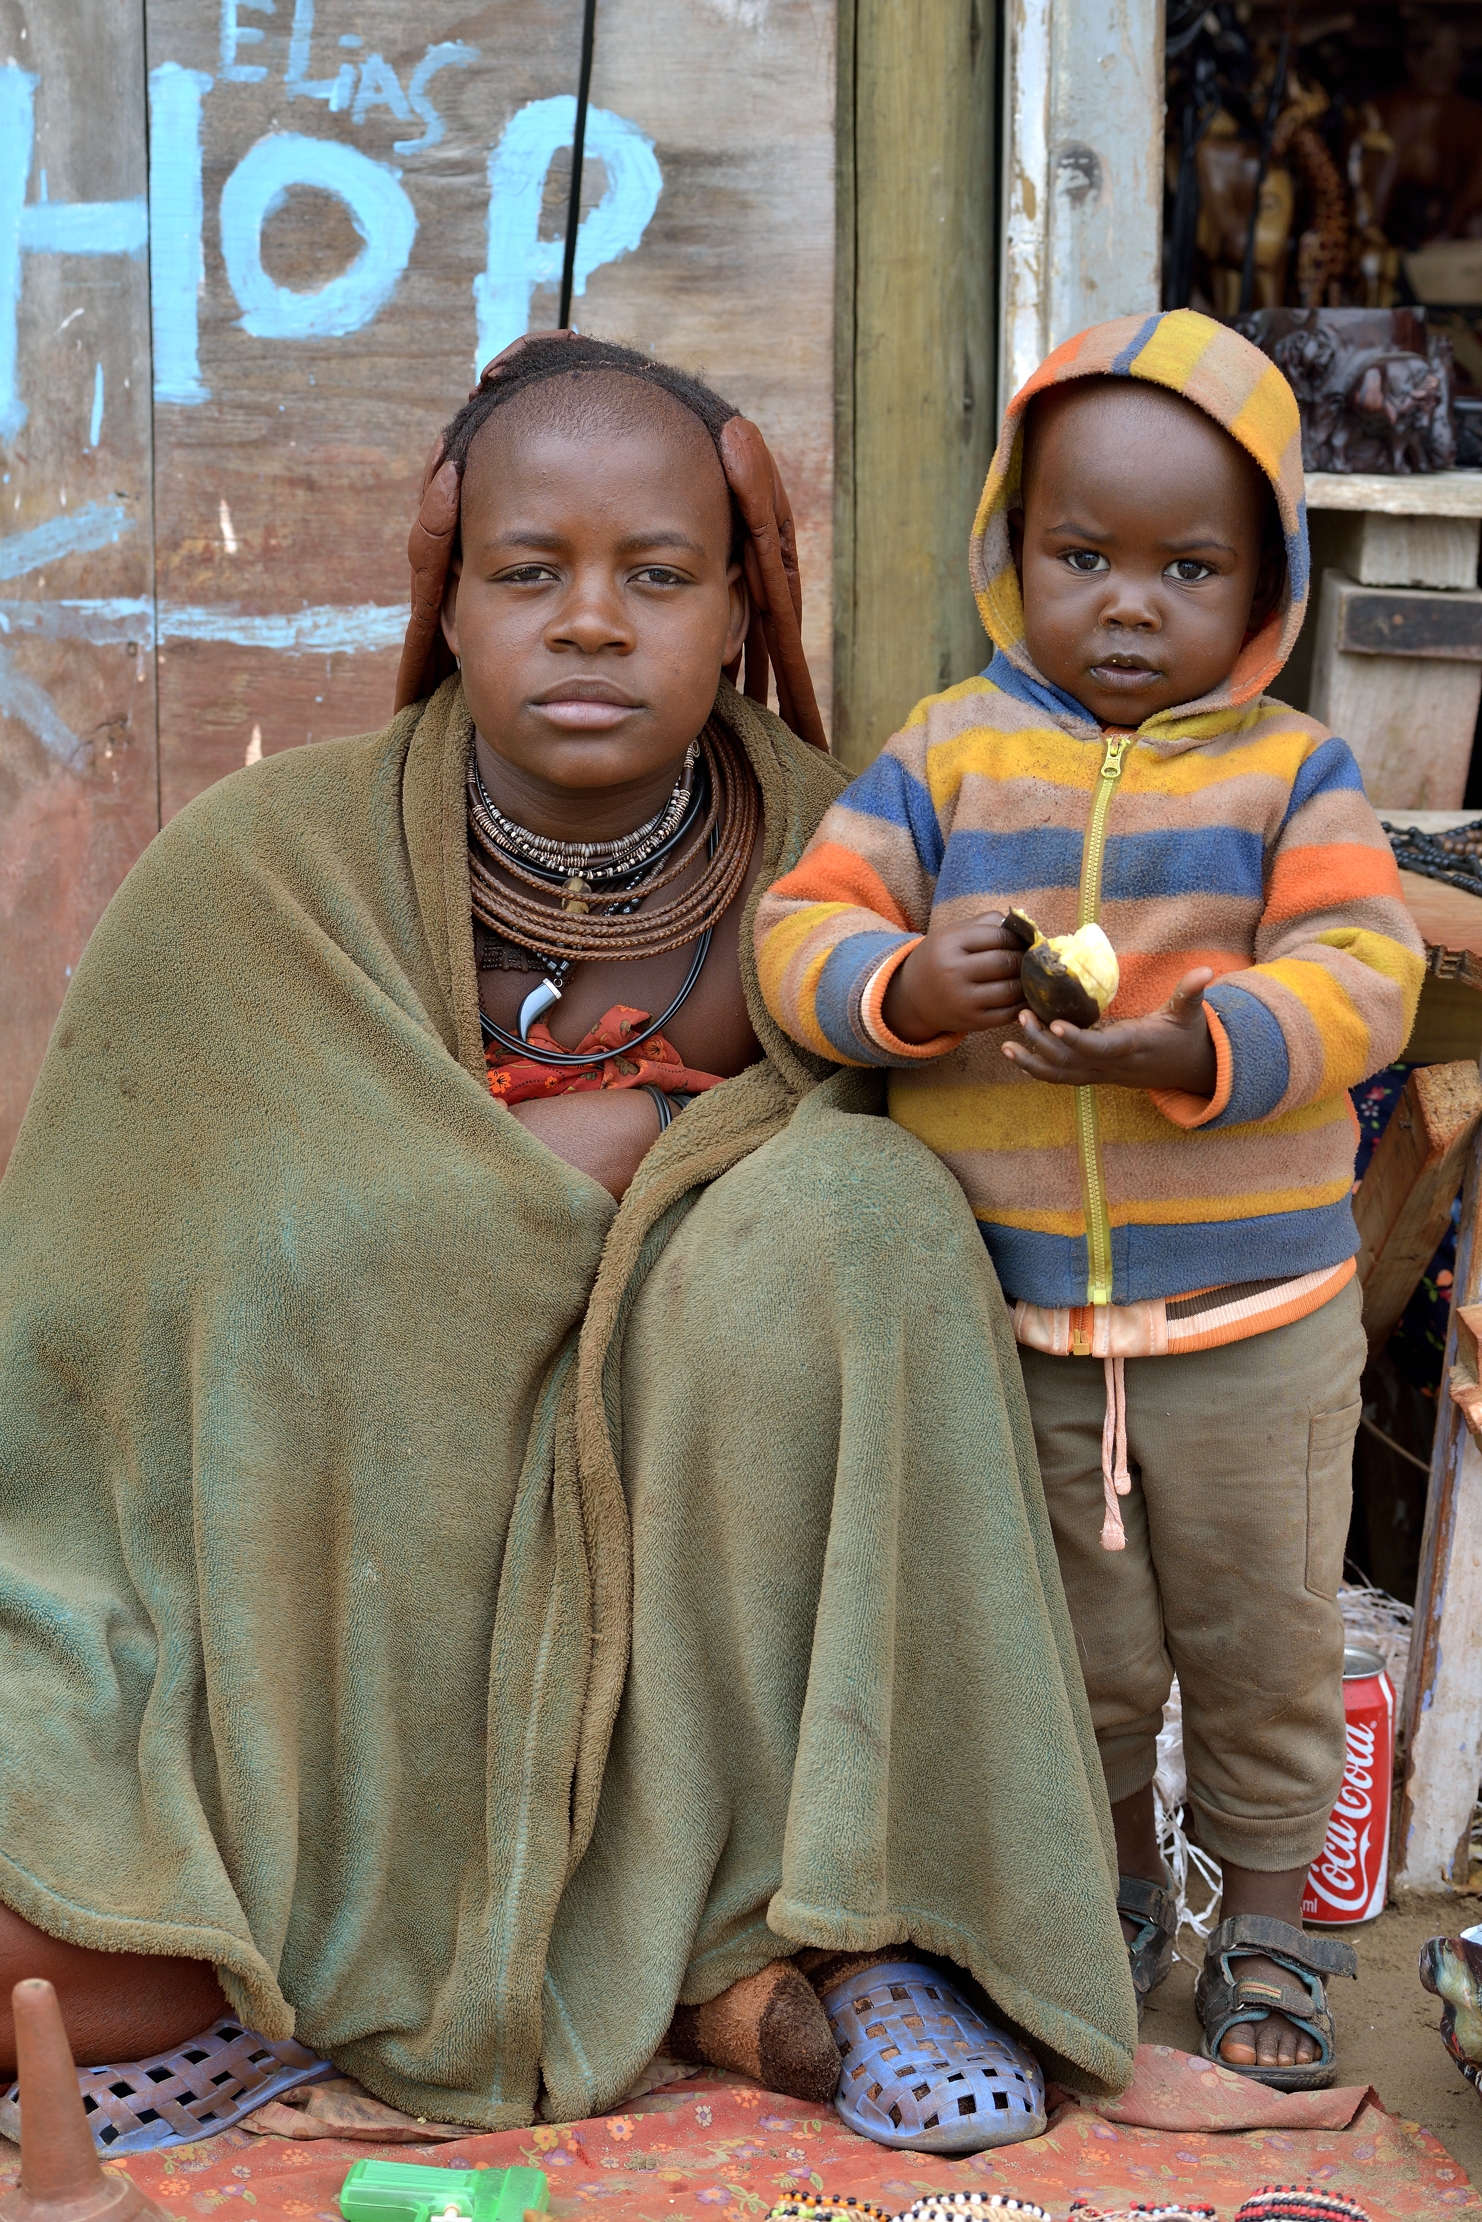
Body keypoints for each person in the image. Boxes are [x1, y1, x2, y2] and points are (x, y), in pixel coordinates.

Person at [0, 334, 1135, 2153]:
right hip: (335, 1649)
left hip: (699, 1597)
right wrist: (561, 1168)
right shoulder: (253, 881)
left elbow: (989, 1163)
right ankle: (484, 1947)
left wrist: (671, 1152)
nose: (591, 621)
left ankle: (847, 1911)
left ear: (741, 603)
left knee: (868, 1213)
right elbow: (98, 1340)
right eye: (530, 572)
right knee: (42, 1930)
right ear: (447, 601)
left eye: (658, 576)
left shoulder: (858, 872)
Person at [755, 308, 1425, 2093]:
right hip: (1023, 1326)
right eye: (1079, 556)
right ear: (1009, 552)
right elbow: (793, 940)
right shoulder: (946, 759)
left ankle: (1269, 1921)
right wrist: (906, 984)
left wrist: (1180, 1046)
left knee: (1265, 1643)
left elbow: (1366, 978)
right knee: (1080, 1656)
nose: (1126, 603)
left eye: (1185, 566)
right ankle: (1115, 1890)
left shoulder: (1293, 774)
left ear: (1265, 585)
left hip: (1255, 1331)